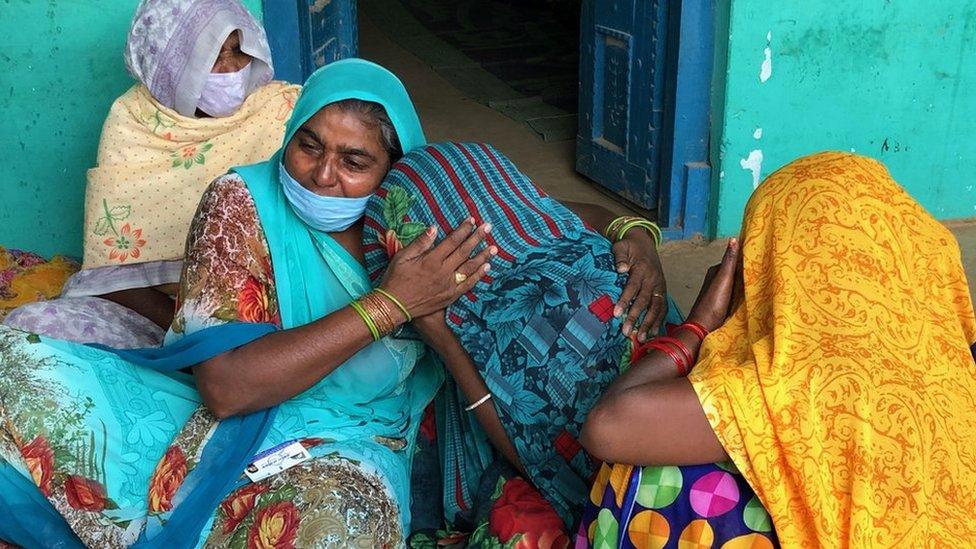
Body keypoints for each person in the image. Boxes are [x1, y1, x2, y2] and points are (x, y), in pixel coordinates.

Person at [578, 152, 976, 547]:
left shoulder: (800, 384)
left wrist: (698, 325)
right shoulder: (953, 369)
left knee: (661, 480)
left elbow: (609, 425)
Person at [360, 142, 683, 546]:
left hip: (630, 496)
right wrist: (635, 234)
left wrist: (442, 338)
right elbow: (575, 213)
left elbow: (536, 461)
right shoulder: (591, 254)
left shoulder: (508, 324)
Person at [3, 0, 298, 348]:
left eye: (238, 51)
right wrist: (188, 332)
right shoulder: (134, 122)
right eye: (210, 57)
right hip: (162, 317)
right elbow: (114, 278)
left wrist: (231, 329)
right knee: (31, 326)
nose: (231, 69)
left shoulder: (281, 109)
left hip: (264, 312)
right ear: (168, 64)